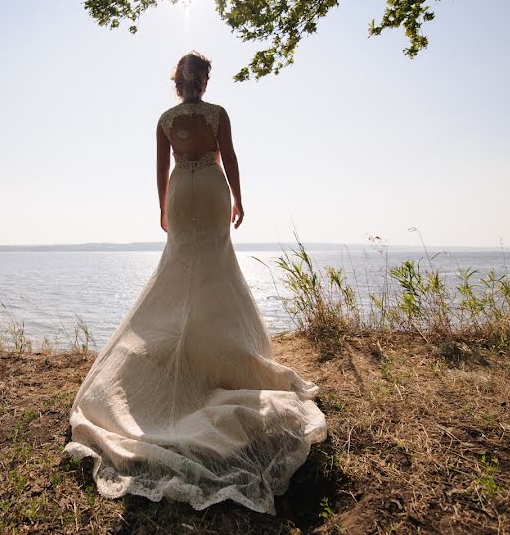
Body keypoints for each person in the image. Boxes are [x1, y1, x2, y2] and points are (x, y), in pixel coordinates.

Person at [64, 52, 326, 515]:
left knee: (179, 267)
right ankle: (220, 352)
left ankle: (191, 353)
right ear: (203, 81)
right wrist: (239, 200)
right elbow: (230, 158)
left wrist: (163, 207)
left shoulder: (165, 120)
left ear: (176, 82)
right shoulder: (218, 114)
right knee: (217, 269)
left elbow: (159, 169)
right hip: (211, 190)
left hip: (182, 192)